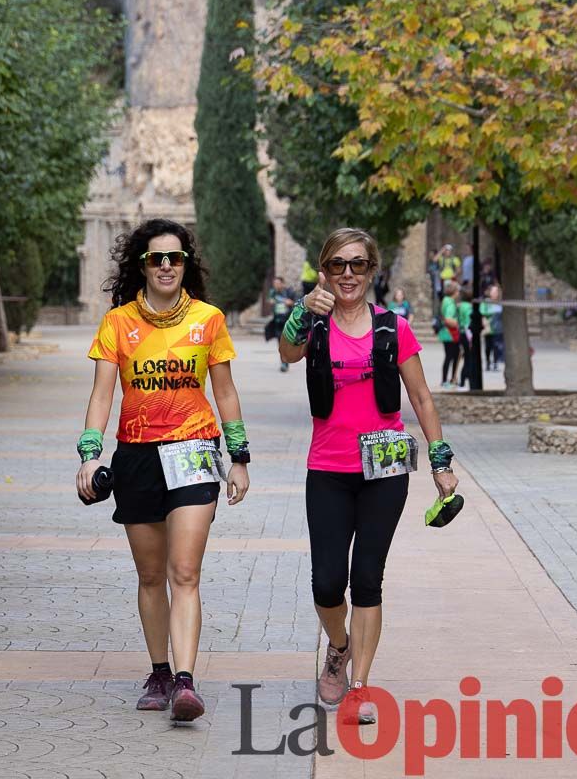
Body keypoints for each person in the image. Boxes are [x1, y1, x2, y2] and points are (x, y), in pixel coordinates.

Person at [278, 227, 459, 725]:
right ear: (325, 271)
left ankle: (359, 685)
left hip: (384, 472)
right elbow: (286, 353)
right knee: (326, 583)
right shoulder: (312, 324)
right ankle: (338, 647)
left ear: (372, 270)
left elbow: (421, 398)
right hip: (328, 469)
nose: (348, 274)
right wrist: (302, 308)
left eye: (358, 264)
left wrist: (441, 463)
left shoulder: (392, 328)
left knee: (367, 578)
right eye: (338, 265)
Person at [76, 218, 252, 723]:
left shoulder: (208, 320)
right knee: (151, 575)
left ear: (186, 265)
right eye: (158, 258)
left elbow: (226, 393)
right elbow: (101, 396)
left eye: (176, 258)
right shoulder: (117, 324)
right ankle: (158, 670)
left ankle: (185, 681)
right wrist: (90, 454)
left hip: (194, 452)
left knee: (185, 572)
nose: (168, 266)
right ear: (142, 265)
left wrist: (239, 457)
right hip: (136, 457)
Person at [267, 276, 296, 372]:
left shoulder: (289, 292)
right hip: (277, 321)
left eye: (278, 283)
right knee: (280, 344)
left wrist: (290, 302)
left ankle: (285, 362)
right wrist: (271, 301)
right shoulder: (273, 292)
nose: (276, 285)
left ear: (282, 284)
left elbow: (297, 303)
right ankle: (284, 362)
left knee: (287, 343)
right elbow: (270, 301)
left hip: (287, 321)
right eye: (275, 284)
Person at [436, 281, 461, 390]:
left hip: (446, 334)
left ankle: (446, 379)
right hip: (451, 334)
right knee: (452, 356)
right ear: (454, 292)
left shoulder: (445, 301)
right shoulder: (450, 303)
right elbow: (448, 319)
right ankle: (449, 380)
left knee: (449, 356)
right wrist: (459, 324)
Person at [480, 284, 504, 372]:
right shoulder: (486, 302)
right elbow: (482, 312)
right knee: (488, 347)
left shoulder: (501, 303)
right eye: (493, 291)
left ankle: (495, 363)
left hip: (498, 329)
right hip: (489, 329)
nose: (495, 293)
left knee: (496, 347)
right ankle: (487, 362)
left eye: (496, 291)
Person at [456, 287, 474, 388]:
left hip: (461, 333)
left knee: (466, 358)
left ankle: (463, 381)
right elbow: (468, 323)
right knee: (469, 359)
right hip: (467, 334)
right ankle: (464, 381)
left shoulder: (460, 306)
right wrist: (470, 339)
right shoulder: (468, 307)